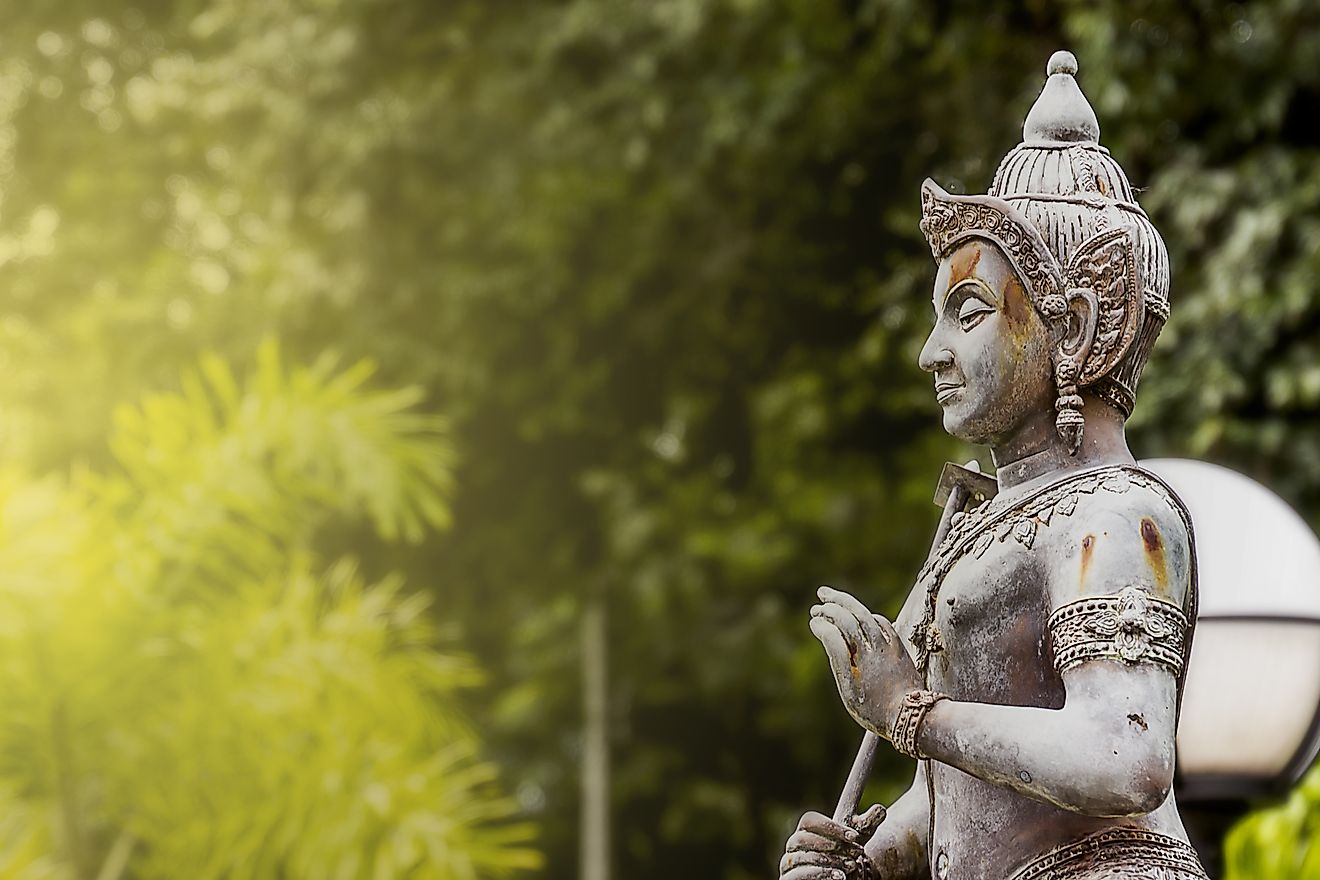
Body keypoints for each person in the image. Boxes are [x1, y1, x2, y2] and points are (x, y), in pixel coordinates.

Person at [779, 52, 1210, 880]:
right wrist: (871, 860)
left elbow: (1127, 756)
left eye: (967, 313)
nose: (930, 352)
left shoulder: (1115, 513)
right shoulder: (988, 526)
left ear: (1075, 330)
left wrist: (912, 713)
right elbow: (973, 794)